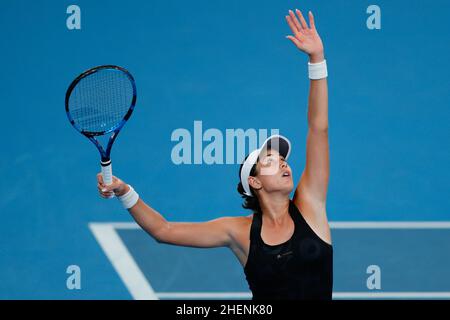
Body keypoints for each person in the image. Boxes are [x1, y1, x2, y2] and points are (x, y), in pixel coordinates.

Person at [97, 8, 332, 300]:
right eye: (269, 162)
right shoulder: (238, 232)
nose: (283, 163)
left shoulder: (311, 205)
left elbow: (318, 128)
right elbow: (163, 230)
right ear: (255, 183)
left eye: (283, 159)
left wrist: (316, 60)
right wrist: (124, 191)